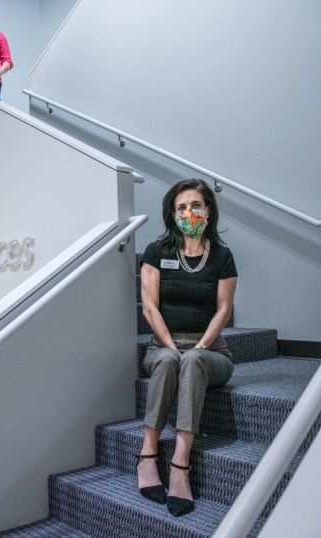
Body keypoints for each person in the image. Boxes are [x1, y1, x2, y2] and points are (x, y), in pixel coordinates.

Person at [137, 178, 238, 517]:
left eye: (195, 205)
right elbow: (149, 307)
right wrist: (171, 346)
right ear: (172, 214)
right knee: (168, 360)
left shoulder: (222, 256)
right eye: (181, 208)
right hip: (162, 344)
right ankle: (148, 454)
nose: (188, 212)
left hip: (212, 351)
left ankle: (180, 463)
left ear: (208, 210)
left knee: (192, 359)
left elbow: (224, 310)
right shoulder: (157, 252)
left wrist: (201, 345)